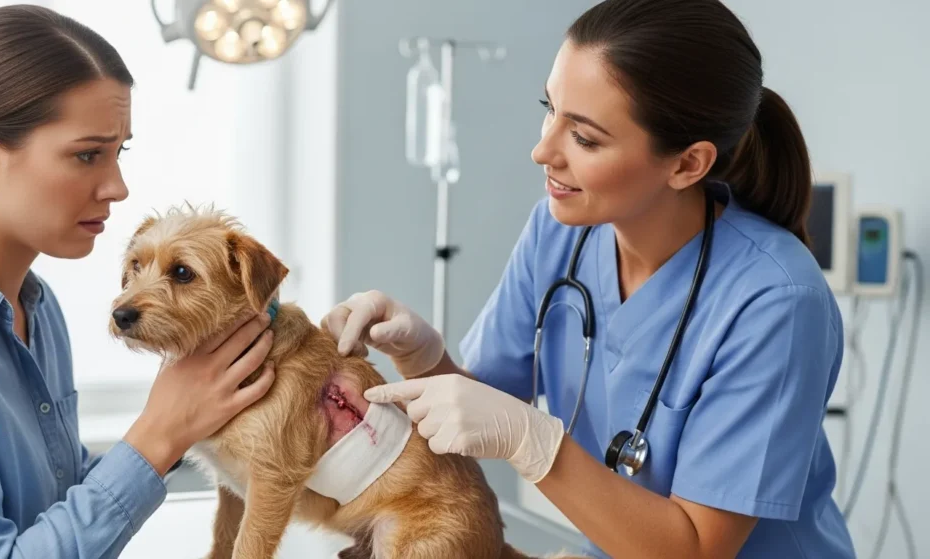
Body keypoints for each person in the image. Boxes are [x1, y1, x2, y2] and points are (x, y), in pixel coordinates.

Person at [321, 0, 855, 557]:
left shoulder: (777, 301)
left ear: (687, 164)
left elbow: (695, 549)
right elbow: (486, 413)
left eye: (585, 138)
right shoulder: (562, 234)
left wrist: (539, 445)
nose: (542, 151)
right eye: (549, 109)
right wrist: (423, 352)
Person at [0, 6, 275, 558]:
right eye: (87, 155)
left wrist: (194, 416)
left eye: (118, 152)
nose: (118, 187)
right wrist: (160, 433)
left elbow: (59, 498)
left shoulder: (36, 304)